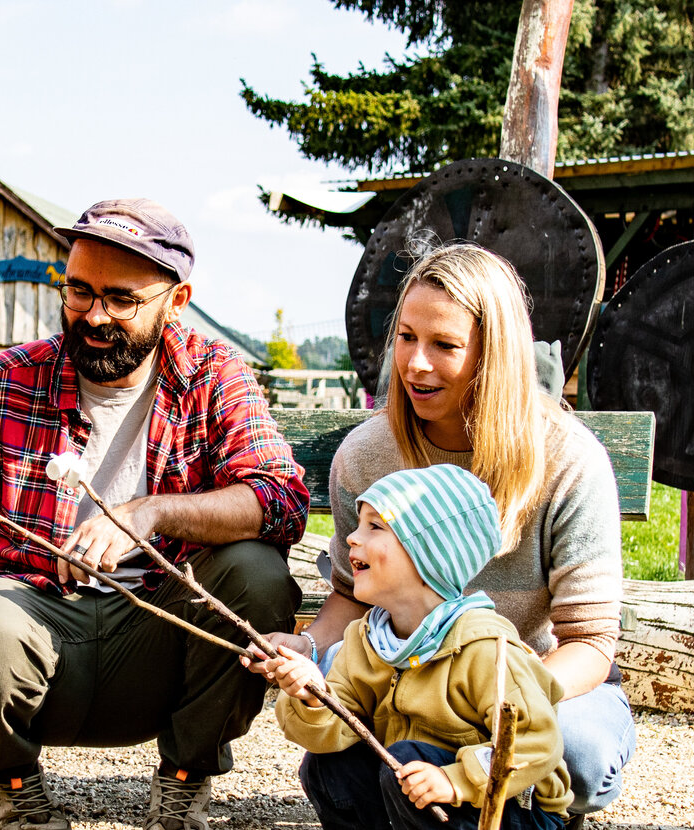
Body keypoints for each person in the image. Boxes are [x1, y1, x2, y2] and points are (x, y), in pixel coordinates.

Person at [0, 199, 310, 830]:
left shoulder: (217, 381)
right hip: (36, 636)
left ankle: (186, 781)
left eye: (120, 299)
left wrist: (151, 512)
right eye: (78, 292)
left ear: (177, 299)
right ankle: (17, 793)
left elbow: (280, 498)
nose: (94, 315)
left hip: (162, 638)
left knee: (258, 574)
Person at [250, 243, 632, 822]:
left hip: (539, 678)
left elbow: (592, 642)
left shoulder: (569, 459)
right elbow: (351, 597)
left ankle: (522, 800)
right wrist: (311, 649)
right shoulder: (368, 454)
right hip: (412, 677)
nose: (416, 364)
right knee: (340, 750)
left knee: (575, 754)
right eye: (406, 338)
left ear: (494, 354)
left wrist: (495, 706)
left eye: (445, 345)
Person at [265, 464, 571, 830]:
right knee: (329, 763)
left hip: (511, 806)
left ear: (429, 553)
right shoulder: (368, 639)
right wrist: (313, 696)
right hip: (418, 792)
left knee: (406, 759)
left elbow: (536, 740)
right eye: (359, 524)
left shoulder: (484, 646)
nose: (352, 538)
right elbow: (334, 727)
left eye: (375, 527)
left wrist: (457, 780)